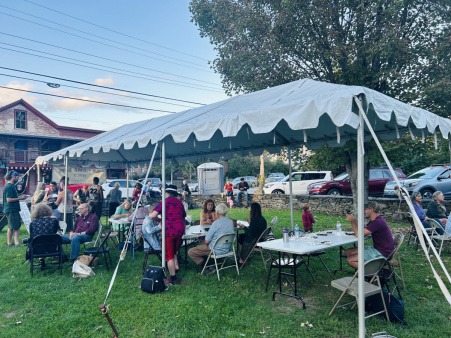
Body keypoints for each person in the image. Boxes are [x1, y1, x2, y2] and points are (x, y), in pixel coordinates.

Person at [150, 184, 186, 285]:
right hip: (180, 229)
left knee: (169, 255)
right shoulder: (180, 203)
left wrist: (159, 220)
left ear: (167, 193)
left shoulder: (164, 202)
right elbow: (183, 216)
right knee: (174, 249)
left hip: (169, 230)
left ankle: (173, 278)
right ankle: (176, 266)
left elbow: (153, 215)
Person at [345, 201, 394, 269]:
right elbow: (362, 231)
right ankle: (367, 268)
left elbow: (359, 234)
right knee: (348, 252)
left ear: (371, 210)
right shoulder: (375, 220)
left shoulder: (378, 222)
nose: (364, 211)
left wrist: (352, 221)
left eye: (365, 209)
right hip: (378, 248)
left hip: (382, 252)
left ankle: (370, 273)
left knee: (350, 260)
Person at [188, 203, 234, 274]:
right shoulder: (230, 222)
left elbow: (207, 241)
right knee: (203, 244)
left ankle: (206, 266)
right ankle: (211, 262)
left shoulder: (215, 223)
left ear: (217, 212)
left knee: (191, 251)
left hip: (215, 250)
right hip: (227, 248)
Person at [237, 202, 267, 266]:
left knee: (240, 239)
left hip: (255, 240)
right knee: (241, 236)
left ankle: (241, 259)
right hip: (261, 239)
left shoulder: (254, 220)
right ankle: (243, 257)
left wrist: (243, 227)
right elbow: (254, 229)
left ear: (253, 210)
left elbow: (250, 233)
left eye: (250, 208)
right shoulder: (262, 219)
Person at [2, 171, 28, 246]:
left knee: (12, 226)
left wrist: (20, 196)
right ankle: (15, 243)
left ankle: (11, 242)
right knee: (14, 226)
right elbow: (9, 199)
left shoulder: (10, 186)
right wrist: (20, 198)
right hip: (11, 209)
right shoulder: (9, 186)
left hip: (11, 209)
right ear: (13, 177)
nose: (18, 179)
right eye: (17, 177)